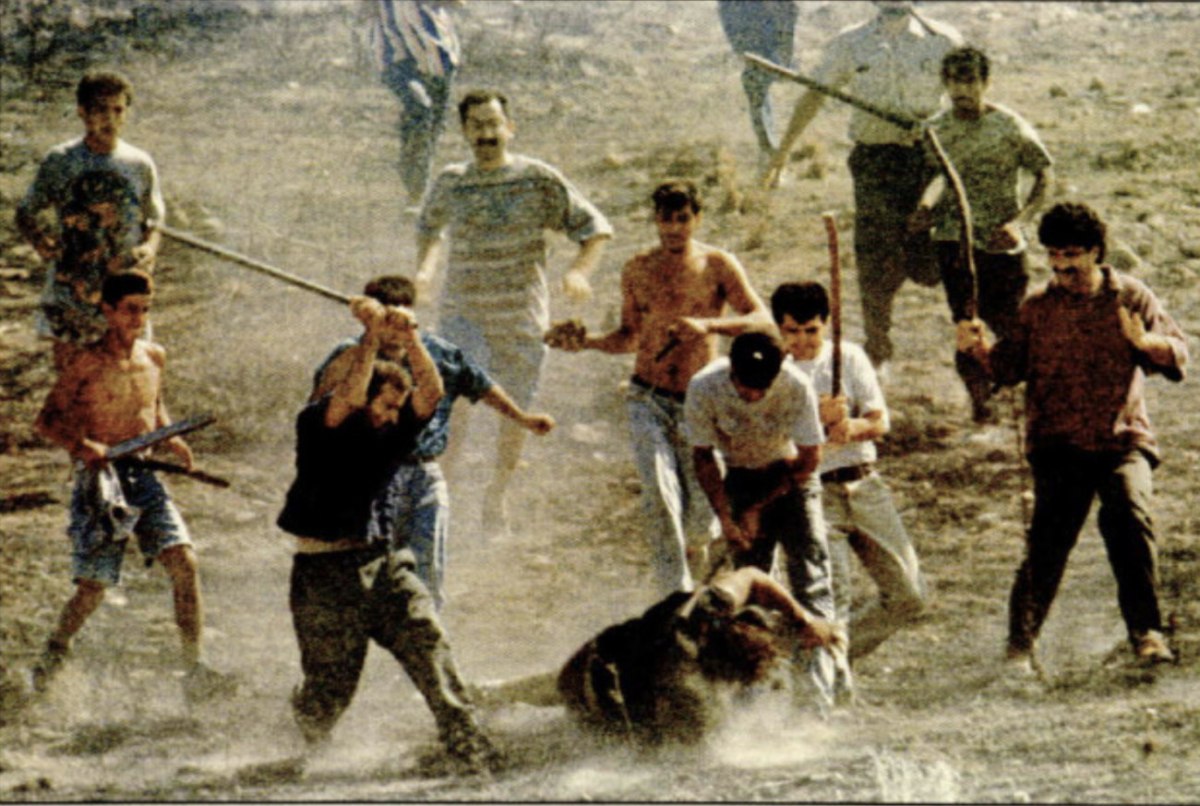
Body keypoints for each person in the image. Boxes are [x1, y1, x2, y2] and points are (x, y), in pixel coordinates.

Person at [959, 202, 1188, 673]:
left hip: (1122, 440)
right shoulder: (1037, 308)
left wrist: (1146, 344)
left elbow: (1178, 350)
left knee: (1129, 517)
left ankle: (1147, 633)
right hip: (1057, 444)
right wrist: (978, 349)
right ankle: (1019, 648)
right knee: (1048, 543)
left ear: (1096, 252)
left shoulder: (1132, 297)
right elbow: (1008, 368)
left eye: (1071, 254)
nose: (1061, 266)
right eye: (1053, 255)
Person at [278, 296, 497, 771]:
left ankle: (466, 741)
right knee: (329, 690)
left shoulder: (392, 433)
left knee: (426, 638)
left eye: (397, 408)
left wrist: (411, 337)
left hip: (381, 563)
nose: (394, 415)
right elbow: (351, 394)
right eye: (386, 405)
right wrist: (373, 336)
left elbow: (431, 392)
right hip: (323, 575)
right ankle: (298, 750)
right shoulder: (320, 423)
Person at [543, 180, 767, 597]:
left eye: (683, 219)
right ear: (655, 220)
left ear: (697, 219)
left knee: (701, 520)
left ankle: (697, 580)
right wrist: (586, 342)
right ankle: (673, 598)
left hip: (700, 403)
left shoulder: (717, 264)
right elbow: (629, 336)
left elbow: (761, 318)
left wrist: (708, 326)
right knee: (661, 497)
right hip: (647, 397)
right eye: (666, 219)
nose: (674, 228)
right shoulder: (638, 268)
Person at [416, 89, 612, 536]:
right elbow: (428, 228)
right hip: (463, 313)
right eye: (477, 126)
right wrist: (424, 271)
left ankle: (497, 493)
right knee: (455, 406)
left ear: (510, 127)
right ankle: (441, 498)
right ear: (464, 131)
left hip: (521, 316)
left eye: (493, 124)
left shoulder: (537, 180)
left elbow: (595, 229)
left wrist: (579, 272)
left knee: (516, 411)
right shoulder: (451, 181)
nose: (486, 134)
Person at [31, 271, 233, 704]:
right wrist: (83, 446)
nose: (138, 319)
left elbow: (153, 405)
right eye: (129, 310)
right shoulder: (86, 362)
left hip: (144, 475)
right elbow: (47, 421)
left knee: (184, 562)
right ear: (107, 310)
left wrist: (170, 436)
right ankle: (55, 651)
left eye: (144, 309)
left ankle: (195, 667)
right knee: (95, 584)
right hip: (101, 482)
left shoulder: (154, 356)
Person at [311, 275, 555, 607]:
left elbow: (480, 385)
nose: (393, 332)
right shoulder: (350, 353)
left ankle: (424, 630)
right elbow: (318, 404)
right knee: (366, 574)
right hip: (366, 476)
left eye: (399, 320)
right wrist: (368, 337)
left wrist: (522, 418)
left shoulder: (438, 352)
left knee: (425, 576)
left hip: (423, 474)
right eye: (386, 321)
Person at [761, 1, 962, 370]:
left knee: (938, 262)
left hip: (930, 165)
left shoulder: (943, 41)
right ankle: (878, 352)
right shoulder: (850, 42)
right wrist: (783, 151)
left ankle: (970, 344)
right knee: (875, 263)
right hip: (876, 166)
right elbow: (815, 94)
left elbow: (965, 103)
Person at [474, 566, 843, 745]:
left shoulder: (710, 610)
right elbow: (685, 753)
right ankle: (487, 708)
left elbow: (753, 576)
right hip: (595, 696)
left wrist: (804, 621)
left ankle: (482, 694)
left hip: (595, 657)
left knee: (536, 692)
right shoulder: (685, 683)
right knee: (555, 730)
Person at [685, 330, 847, 708]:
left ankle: (819, 697)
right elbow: (703, 458)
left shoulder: (796, 385)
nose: (753, 396)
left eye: (762, 388)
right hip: (739, 479)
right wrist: (727, 519)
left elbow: (809, 459)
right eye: (745, 387)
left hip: (790, 479)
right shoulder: (704, 386)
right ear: (731, 371)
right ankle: (757, 702)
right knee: (752, 596)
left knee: (811, 582)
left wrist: (759, 508)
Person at [771, 282, 925, 662]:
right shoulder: (774, 374)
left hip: (864, 486)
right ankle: (829, 676)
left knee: (909, 595)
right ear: (779, 328)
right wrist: (817, 422)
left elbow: (879, 421)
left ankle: (821, 657)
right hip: (814, 495)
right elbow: (772, 445)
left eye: (811, 330)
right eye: (792, 331)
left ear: (825, 323)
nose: (802, 341)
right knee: (832, 597)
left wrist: (851, 427)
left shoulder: (849, 357)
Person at [908, 46, 1053, 423]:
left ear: (985, 83)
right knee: (967, 324)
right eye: (954, 82)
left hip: (1000, 244)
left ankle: (1023, 397)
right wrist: (926, 208)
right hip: (953, 241)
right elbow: (936, 178)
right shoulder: (936, 130)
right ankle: (981, 403)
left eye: (970, 81)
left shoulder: (1009, 127)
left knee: (1010, 326)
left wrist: (1019, 223)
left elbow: (1043, 175)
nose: (961, 90)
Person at [16, 70, 165, 371]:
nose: (109, 119)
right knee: (74, 379)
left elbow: (155, 218)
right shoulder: (61, 160)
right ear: (82, 112)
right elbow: (26, 212)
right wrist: (42, 242)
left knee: (126, 375)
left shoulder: (138, 164)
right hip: (73, 294)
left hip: (123, 291)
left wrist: (150, 248)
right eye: (100, 110)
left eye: (118, 110)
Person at [362, 0, 462, 207]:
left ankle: (417, 185)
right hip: (394, 52)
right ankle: (415, 192)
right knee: (420, 108)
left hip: (435, 52)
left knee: (432, 127)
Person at [715, 0, 799, 182]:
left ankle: (773, 155)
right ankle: (770, 153)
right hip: (752, 32)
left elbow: (789, 11)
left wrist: (785, 53)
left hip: (773, 34)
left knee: (758, 81)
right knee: (754, 82)